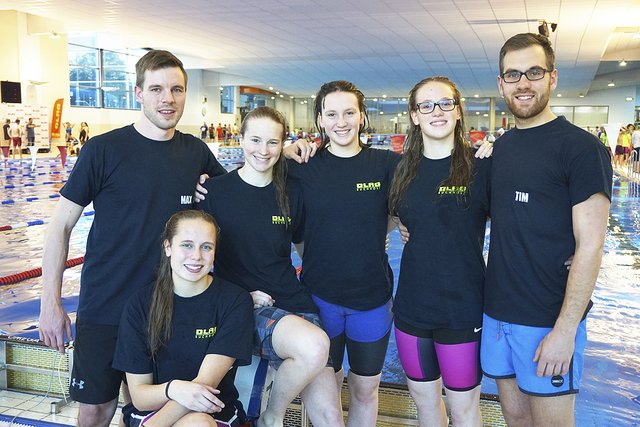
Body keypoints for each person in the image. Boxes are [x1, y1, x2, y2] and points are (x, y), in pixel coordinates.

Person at [39, 49, 228, 427]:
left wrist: (279, 153)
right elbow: (59, 225)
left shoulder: (195, 152)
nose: (167, 98)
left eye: (177, 89)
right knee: (95, 410)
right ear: (138, 93)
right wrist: (50, 303)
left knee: (148, 411)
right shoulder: (103, 150)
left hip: (164, 309)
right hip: (106, 303)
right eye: (157, 88)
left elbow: (241, 195)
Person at [481, 33, 612, 426]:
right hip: (497, 316)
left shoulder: (581, 149)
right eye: (513, 74)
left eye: (534, 72)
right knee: (514, 420)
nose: (524, 83)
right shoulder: (498, 151)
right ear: (501, 83)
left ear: (552, 78)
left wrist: (565, 329)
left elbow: (591, 244)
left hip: (547, 320)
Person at [198, 106, 344, 427]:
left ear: (284, 144)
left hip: (294, 303)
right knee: (315, 344)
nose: (263, 151)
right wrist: (238, 297)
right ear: (241, 139)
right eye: (255, 140)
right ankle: (271, 418)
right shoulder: (214, 192)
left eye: (273, 143)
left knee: (332, 417)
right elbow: (194, 266)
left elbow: (305, 247)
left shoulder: (291, 192)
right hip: (246, 307)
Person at [287, 80, 400, 427]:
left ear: (362, 116)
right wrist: (286, 151)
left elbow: (409, 207)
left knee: (365, 392)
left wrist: (382, 229)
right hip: (320, 299)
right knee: (328, 397)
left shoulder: (385, 164)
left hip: (372, 299)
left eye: (349, 112)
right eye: (332, 113)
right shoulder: (303, 166)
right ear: (320, 119)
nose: (341, 121)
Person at [388, 76, 490, 427]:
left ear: (458, 111)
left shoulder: (482, 165)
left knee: (464, 410)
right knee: (426, 408)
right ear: (414, 116)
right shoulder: (399, 170)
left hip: (463, 311)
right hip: (412, 311)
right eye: (426, 105)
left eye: (446, 103)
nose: (437, 111)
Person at [112, 210, 254, 427]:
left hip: (214, 411)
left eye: (206, 247)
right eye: (187, 245)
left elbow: (204, 387)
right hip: (152, 411)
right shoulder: (140, 305)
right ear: (168, 247)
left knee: (199, 424)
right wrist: (174, 388)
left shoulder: (234, 302)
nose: (196, 256)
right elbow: (140, 397)